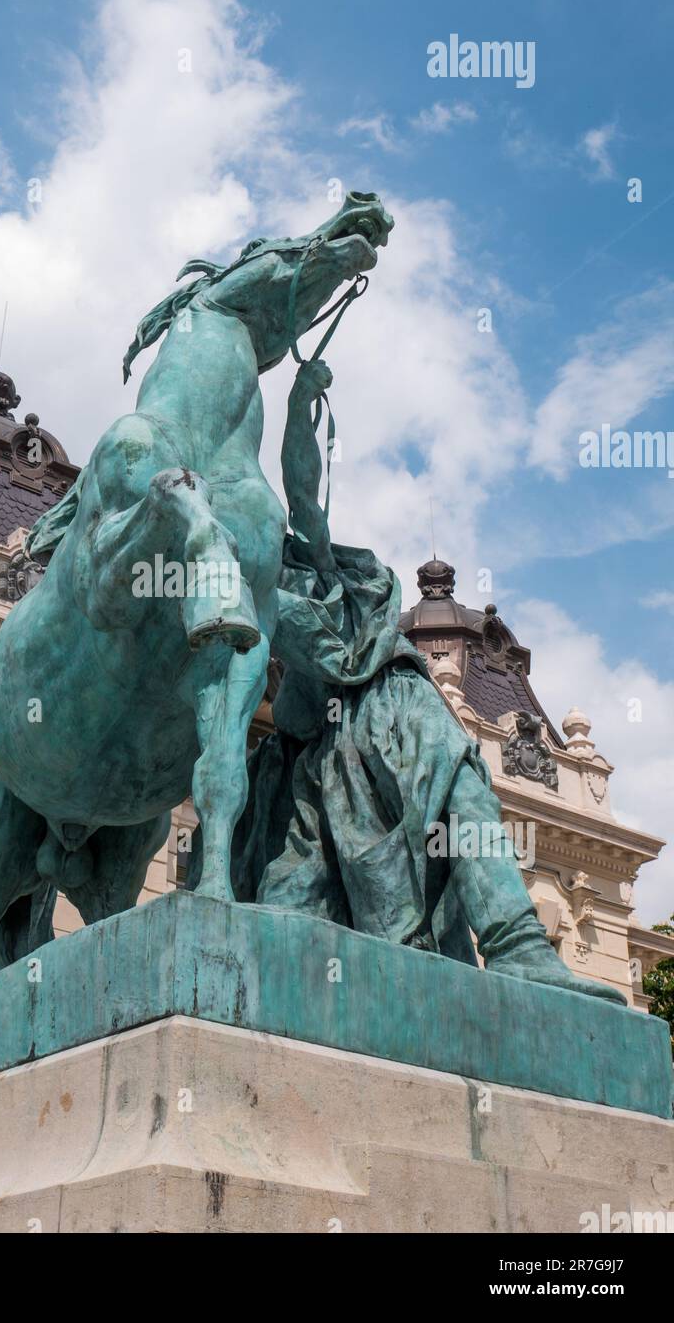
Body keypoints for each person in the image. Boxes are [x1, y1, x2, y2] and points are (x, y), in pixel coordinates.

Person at [195, 357, 624, 1004]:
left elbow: (305, 494)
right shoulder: (216, 586)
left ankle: (517, 946)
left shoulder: (292, 563)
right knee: (283, 936)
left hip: (377, 702)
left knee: (452, 766)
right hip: (303, 778)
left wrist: (297, 410)